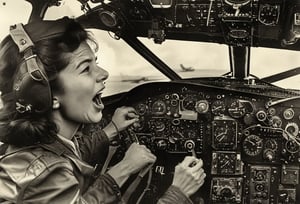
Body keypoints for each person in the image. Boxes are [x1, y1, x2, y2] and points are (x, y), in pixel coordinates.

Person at [0, 17, 206, 203]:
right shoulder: (44, 175)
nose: (104, 73)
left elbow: (70, 153)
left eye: (95, 63)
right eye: (85, 68)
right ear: (45, 95)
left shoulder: (41, 147)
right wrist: (178, 192)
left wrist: (112, 129)